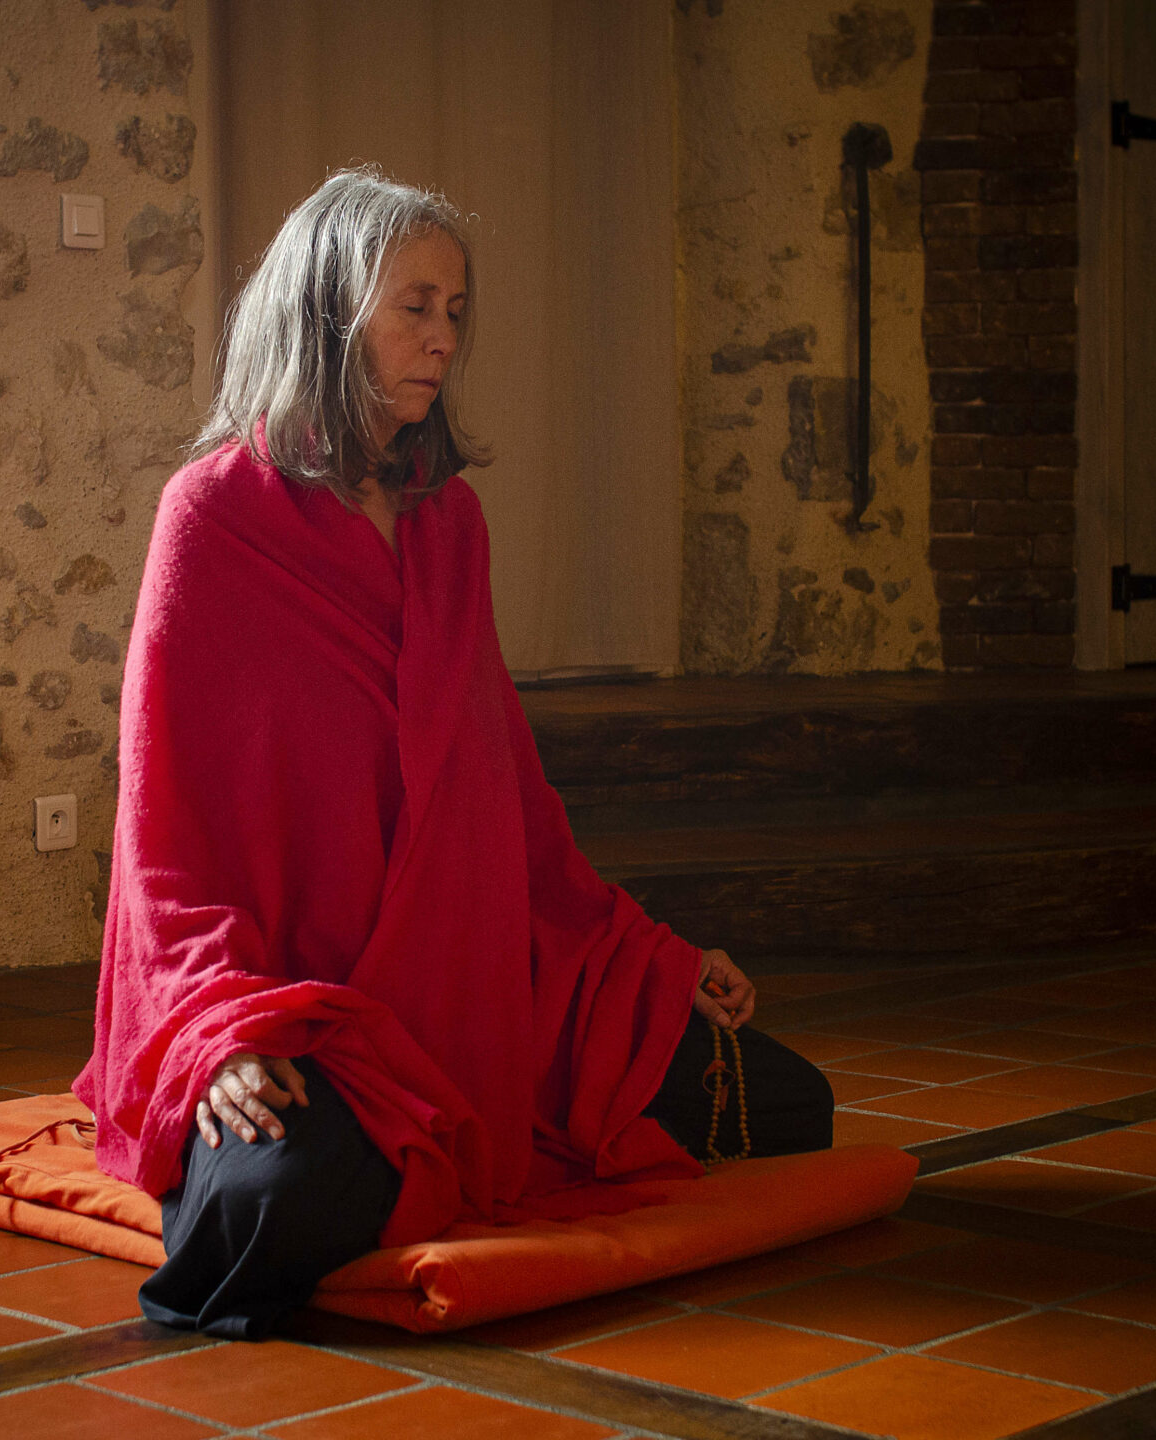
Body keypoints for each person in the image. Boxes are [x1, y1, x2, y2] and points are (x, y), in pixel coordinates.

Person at [72, 167, 836, 1340]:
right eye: (413, 306)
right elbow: (163, 825)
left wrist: (642, 949)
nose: (441, 339)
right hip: (292, 1003)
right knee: (264, 1208)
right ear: (330, 310)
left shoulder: (447, 521)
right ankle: (291, 1129)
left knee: (788, 1103)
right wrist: (214, 1029)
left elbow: (501, 785)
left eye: (455, 312)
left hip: (467, 988)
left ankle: (429, 1126)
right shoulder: (212, 516)